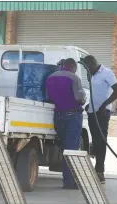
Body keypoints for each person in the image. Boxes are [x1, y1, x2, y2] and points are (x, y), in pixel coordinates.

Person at [45, 58, 86, 189]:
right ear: (73, 66)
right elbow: (80, 98)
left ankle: (68, 179)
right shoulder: (74, 78)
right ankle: (69, 182)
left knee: (65, 148)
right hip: (72, 116)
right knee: (71, 150)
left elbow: (48, 97)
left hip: (57, 116)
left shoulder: (50, 77)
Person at [83, 55, 117, 183]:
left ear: (93, 64)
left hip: (102, 113)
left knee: (101, 141)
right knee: (95, 141)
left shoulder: (107, 73)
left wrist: (104, 104)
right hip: (92, 112)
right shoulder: (92, 75)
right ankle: (96, 169)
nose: (87, 71)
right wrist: (90, 104)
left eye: (88, 67)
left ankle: (100, 171)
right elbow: (95, 93)